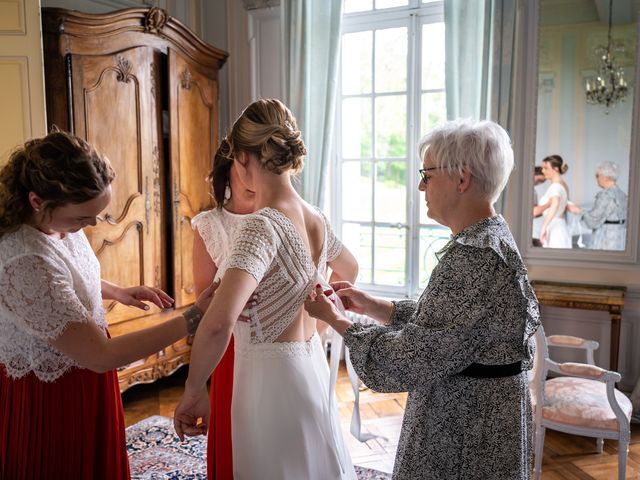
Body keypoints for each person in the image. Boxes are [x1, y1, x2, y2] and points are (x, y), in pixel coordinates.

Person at [305, 119, 540, 480]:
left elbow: (409, 359)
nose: (420, 186)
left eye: (427, 175)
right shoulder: (489, 237)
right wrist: (374, 306)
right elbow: (454, 326)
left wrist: (338, 320)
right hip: (484, 414)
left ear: (462, 179)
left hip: (467, 426)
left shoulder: (473, 256)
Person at [0, 130, 216, 480]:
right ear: (38, 201)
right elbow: (100, 354)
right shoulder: (23, 261)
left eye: (96, 216)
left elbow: (62, 282)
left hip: (84, 371)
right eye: (83, 218)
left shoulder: (58, 225)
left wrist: (116, 291)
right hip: (51, 397)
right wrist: (193, 318)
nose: (90, 226)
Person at [174, 99, 359, 479]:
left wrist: (194, 390)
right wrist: (318, 320)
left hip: (268, 384)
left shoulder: (262, 225)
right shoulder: (315, 217)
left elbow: (216, 323)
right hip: (310, 366)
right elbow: (350, 269)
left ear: (242, 157)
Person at [191, 139, 255, 479]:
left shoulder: (282, 215)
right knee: (235, 430)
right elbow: (204, 301)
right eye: (243, 166)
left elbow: (340, 266)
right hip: (230, 346)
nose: (251, 175)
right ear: (226, 172)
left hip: (280, 341)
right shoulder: (209, 225)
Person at [571, 161, 627, 250]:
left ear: (605, 177)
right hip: (621, 239)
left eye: (597, 175)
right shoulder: (622, 195)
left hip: (606, 239)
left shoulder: (606, 195)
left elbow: (593, 220)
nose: (596, 178)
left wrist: (579, 211)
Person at [537, 154, 572, 248]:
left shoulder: (556, 186)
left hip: (555, 229)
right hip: (559, 226)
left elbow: (555, 204)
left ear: (556, 169)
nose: (543, 170)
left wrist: (543, 227)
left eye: (545, 168)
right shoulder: (563, 184)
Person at [532, 165, 547, 247]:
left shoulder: (534, 191)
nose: (540, 183)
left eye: (542, 182)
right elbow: (533, 212)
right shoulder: (528, 189)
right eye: (539, 180)